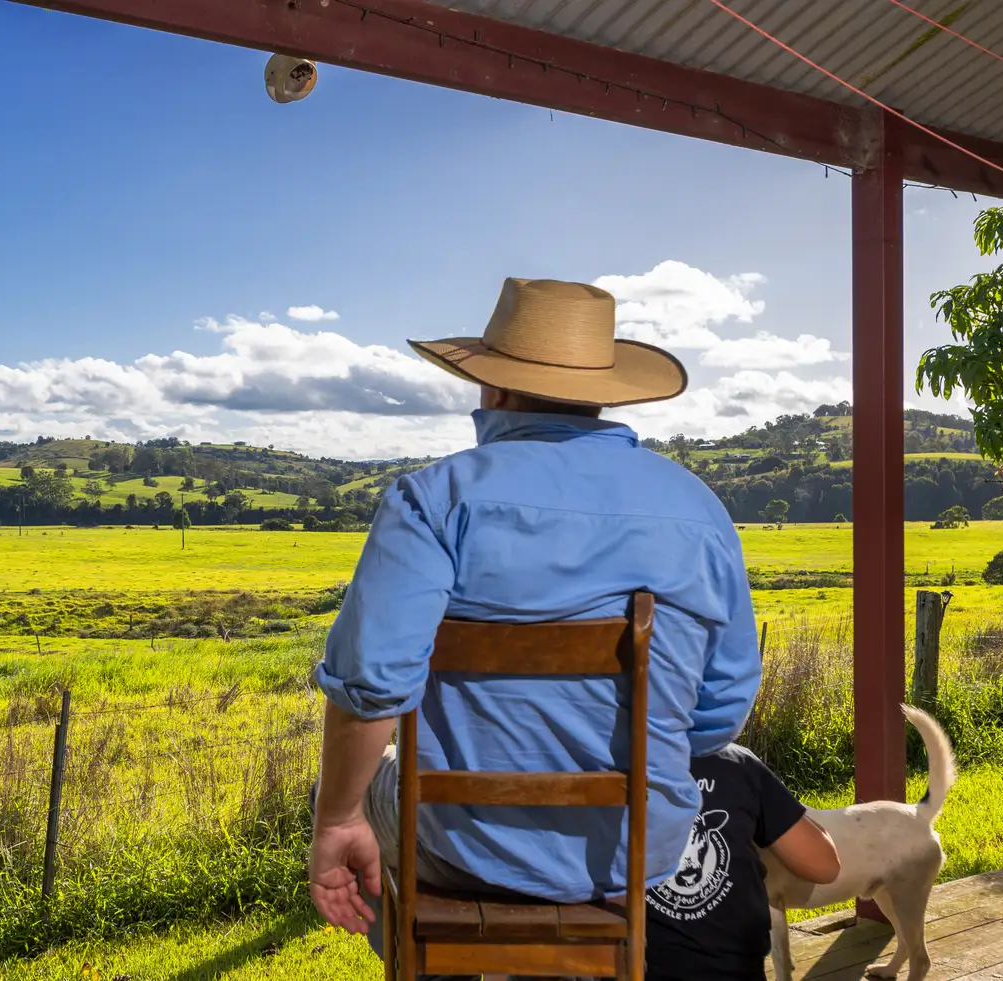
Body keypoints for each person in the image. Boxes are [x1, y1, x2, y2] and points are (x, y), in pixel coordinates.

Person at [307, 278, 762, 979]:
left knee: (348, 799)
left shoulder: (433, 499)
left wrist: (338, 820)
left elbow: (371, 685)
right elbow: (718, 715)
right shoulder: (699, 510)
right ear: (601, 390)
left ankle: (427, 961)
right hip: (634, 849)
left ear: (494, 389)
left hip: (462, 844)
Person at [646, 744, 840, 981]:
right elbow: (825, 866)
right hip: (731, 970)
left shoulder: (601, 763)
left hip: (628, 964)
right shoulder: (735, 763)